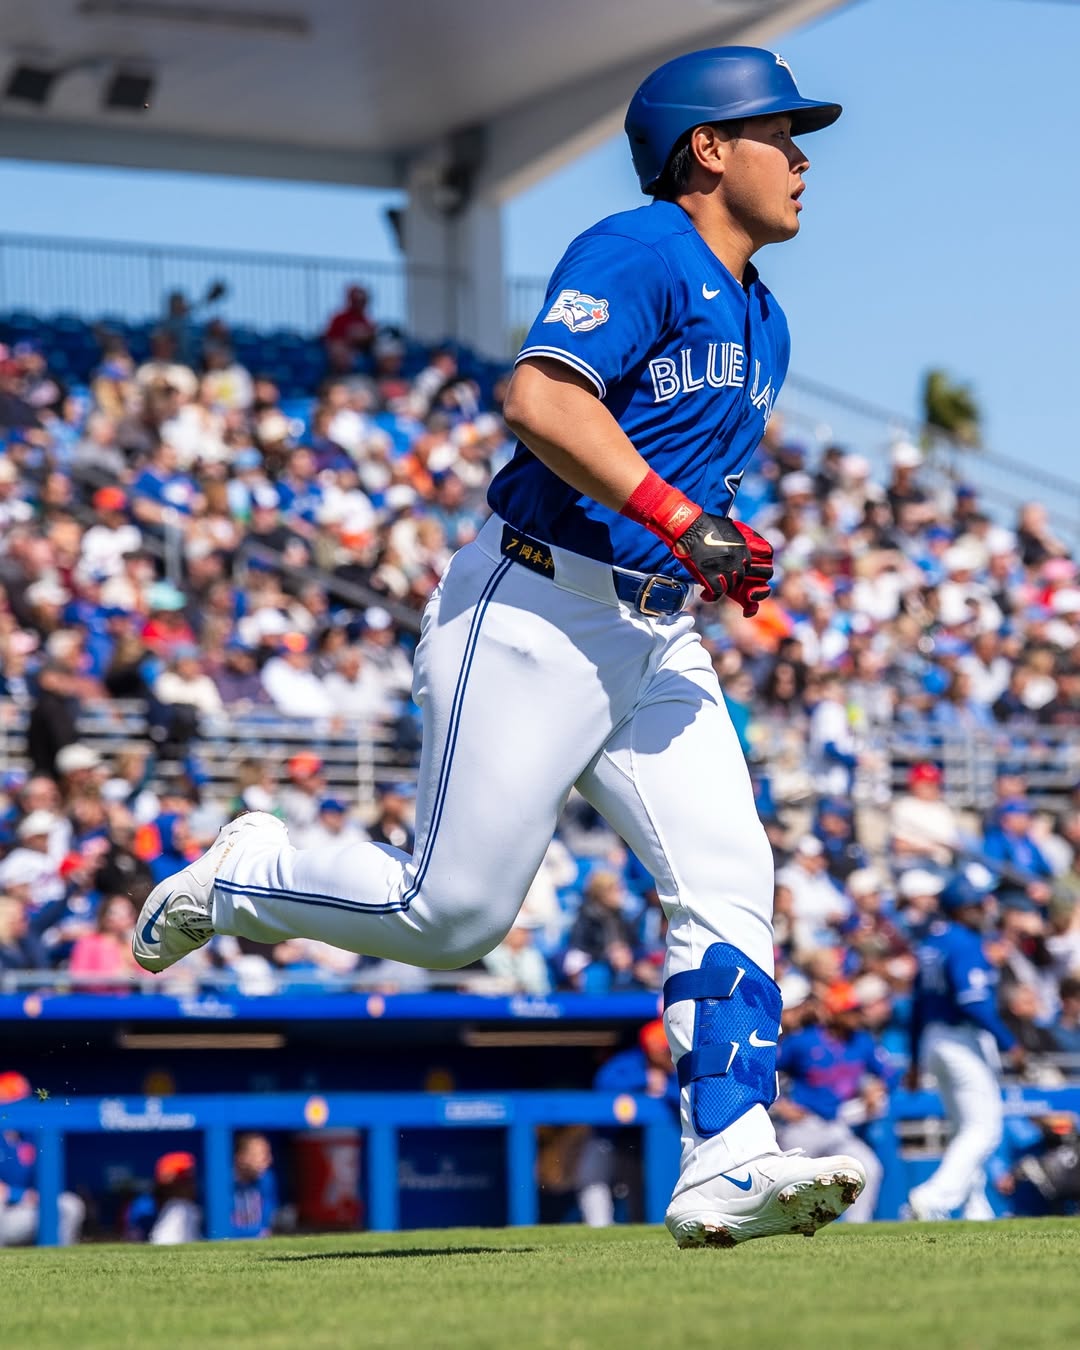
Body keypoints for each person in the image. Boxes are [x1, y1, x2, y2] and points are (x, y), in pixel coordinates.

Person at [133, 46, 863, 1247]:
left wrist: (705, 547)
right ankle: (245, 877)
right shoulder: (641, 249)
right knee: (453, 918)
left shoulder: (767, 316)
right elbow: (539, 400)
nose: (801, 158)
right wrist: (685, 520)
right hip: (532, 610)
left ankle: (729, 1156)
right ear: (707, 149)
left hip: (651, 633)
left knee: (732, 883)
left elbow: (659, 472)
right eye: (779, 131)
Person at [906, 874, 1026, 1221]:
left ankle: (975, 1206)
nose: (985, 908)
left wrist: (915, 1060)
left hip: (933, 1039)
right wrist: (1009, 1043)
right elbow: (972, 1002)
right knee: (984, 1127)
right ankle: (933, 1197)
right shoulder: (965, 943)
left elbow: (916, 1006)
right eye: (978, 903)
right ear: (962, 907)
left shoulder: (932, 943)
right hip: (959, 1038)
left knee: (964, 1127)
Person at [773, 981, 897, 1222]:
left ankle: (856, 1228)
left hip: (837, 1124)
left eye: (856, 1010)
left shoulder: (862, 1041)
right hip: (803, 1125)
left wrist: (877, 1088)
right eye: (849, 1011)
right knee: (788, 1182)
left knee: (868, 1168)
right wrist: (779, 1103)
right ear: (833, 1012)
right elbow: (765, 1071)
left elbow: (890, 1074)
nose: (855, 1016)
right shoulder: (805, 1041)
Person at [0, 1071, 85, 1246]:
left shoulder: (32, 1136)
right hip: (6, 1211)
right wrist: (21, 1195)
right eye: (12, 1102)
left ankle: (60, 1262)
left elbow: (45, 1181)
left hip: (24, 1213)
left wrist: (36, 1195)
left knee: (70, 1205)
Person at [231, 1132, 278, 1239]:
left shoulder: (267, 1179)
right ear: (241, 1157)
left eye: (268, 1154)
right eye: (262, 1154)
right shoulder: (221, 1183)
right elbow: (219, 1227)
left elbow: (267, 1221)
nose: (269, 1160)